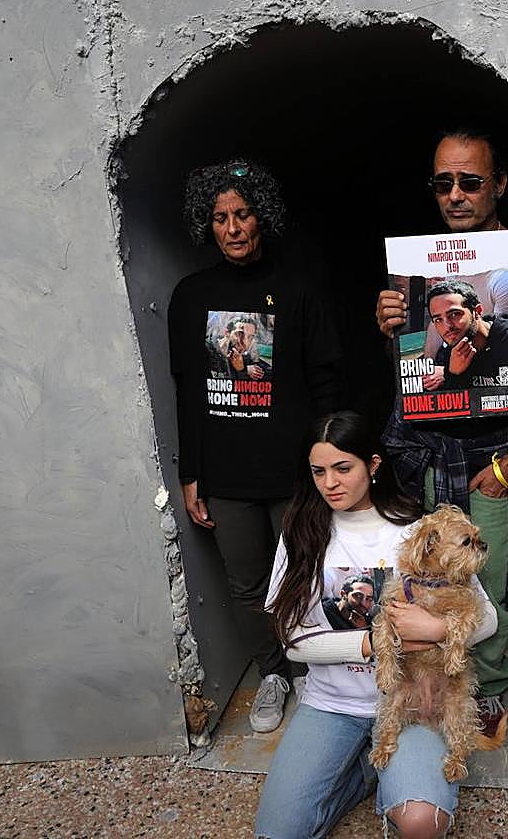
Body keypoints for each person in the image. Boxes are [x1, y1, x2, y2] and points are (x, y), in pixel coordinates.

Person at [375, 127, 508, 748]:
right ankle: (434, 682)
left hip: (491, 456)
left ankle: (493, 683)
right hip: (427, 456)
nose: (455, 194)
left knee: (492, 576)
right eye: (443, 182)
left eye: (470, 181)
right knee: (432, 578)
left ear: (498, 184)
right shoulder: (418, 264)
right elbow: (412, 376)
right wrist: (392, 328)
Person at [255, 410, 497, 839]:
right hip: (332, 704)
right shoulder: (301, 532)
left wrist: (438, 632)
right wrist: (370, 643)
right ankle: (367, 775)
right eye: (319, 472)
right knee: (278, 833)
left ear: (373, 464)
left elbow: (488, 619)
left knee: (422, 824)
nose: (330, 483)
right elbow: (292, 641)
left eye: (343, 468)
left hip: (415, 705)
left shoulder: (420, 530)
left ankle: (387, 774)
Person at [168, 160, 341, 733]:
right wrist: (191, 473)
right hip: (226, 475)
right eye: (220, 217)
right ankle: (273, 673)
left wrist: (327, 463)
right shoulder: (191, 296)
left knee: (308, 575)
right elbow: (188, 391)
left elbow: (325, 383)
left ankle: (315, 673)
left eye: (242, 214)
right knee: (247, 586)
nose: (233, 228)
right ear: (207, 224)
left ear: (261, 216)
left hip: (292, 471)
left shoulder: (299, 287)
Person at [426, 278, 508, 390]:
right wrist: (452, 374)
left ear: (477, 312)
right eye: (438, 320)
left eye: (454, 314)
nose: (447, 326)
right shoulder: (449, 353)